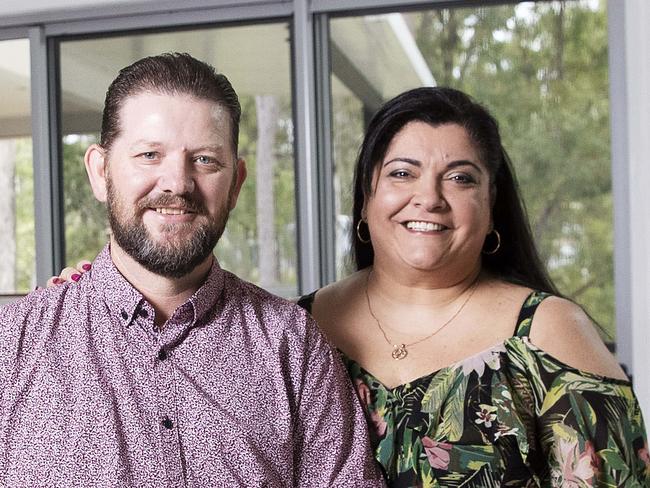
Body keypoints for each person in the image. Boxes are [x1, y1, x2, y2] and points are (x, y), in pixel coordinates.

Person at [49, 86, 650, 486]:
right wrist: (83, 293)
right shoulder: (298, 329)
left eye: (461, 178)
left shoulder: (550, 334)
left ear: (492, 206)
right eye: (402, 172)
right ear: (365, 200)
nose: (429, 198)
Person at [0, 53, 384, 487]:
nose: (177, 183)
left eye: (204, 160)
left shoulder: (294, 347)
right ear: (100, 171)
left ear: (236, 184)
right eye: (149, 154)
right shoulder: (12, 345)